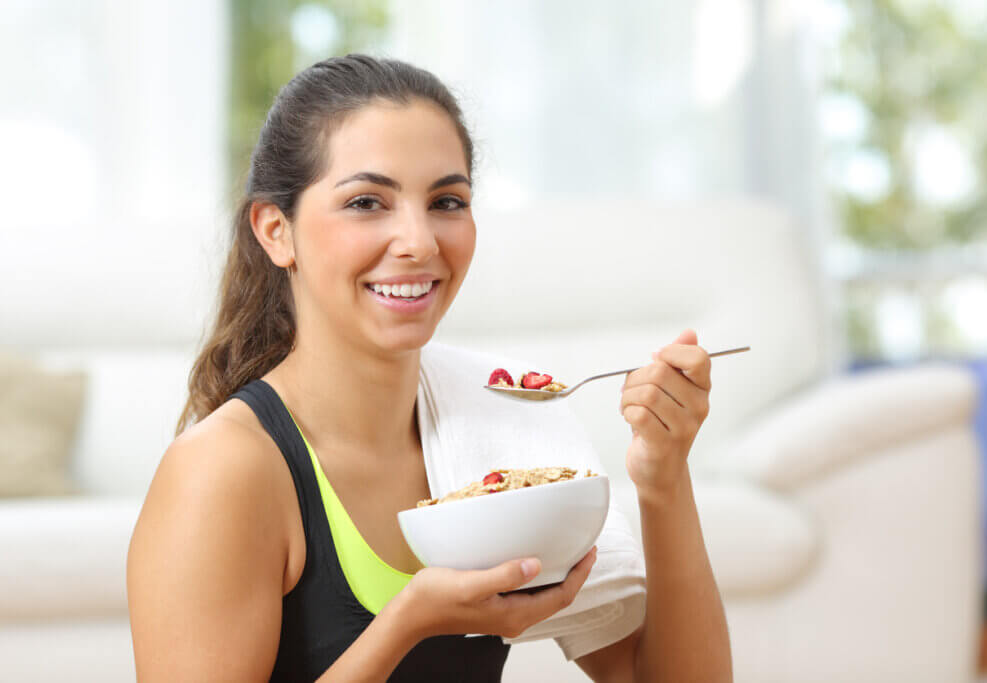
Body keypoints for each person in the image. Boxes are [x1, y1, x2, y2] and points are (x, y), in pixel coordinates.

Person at [126, 54, 732, 682]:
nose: (419, 241)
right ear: (276, 231)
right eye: (366, 202)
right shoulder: (223, 472)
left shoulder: (495, 428)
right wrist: (409, 622)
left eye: (447, 201)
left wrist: (663, 480)